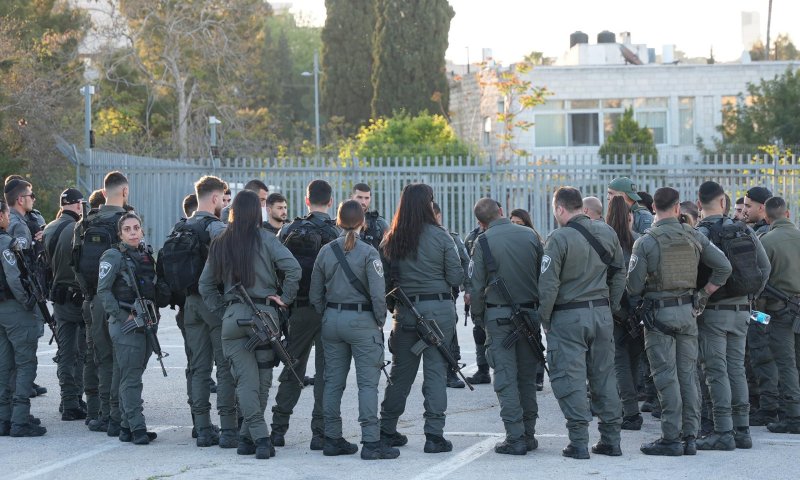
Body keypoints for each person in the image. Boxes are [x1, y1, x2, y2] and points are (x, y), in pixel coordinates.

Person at [627, 187, 732, 456]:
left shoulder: (646, 241)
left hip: (659, 315)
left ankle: (671, 438)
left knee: (665, 376)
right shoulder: (694, 234)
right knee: (688, 376)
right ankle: (690, 437)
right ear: (677, 208)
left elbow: (634, 287)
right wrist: (703, 294)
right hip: (688, 312)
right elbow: (724, 267)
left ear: (653, 209)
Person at [199, 190, 301, 459]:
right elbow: (294, 269)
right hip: (265, 316)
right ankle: (261, 438)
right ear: (258, 211)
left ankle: (247, 438)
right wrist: (285, 299)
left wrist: (224, 310)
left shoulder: (220, 242)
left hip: (234, 318)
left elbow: (205, 285)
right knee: (262, 381)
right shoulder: (267, 239)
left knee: (246, 381)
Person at [538, 186, 625, 460]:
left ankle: (578, 442)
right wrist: (610, 304)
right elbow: (619, 272)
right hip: (601, 314)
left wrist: (545, 319)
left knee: (570, 378)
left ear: (561, 209)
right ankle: (611, 440)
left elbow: (548, 285)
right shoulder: (607, 232)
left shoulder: (558, 239)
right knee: (605, 376)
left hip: (568, 316)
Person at [309, 200, 399, 460]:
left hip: (332, 320)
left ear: (337, 222)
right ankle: (371, 442)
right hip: (362, 321)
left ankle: (332, 438)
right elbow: (378, 295)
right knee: (367, 384)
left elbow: (315, 293)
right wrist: (380, 320)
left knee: (332, 382)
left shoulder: (326, 251)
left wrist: (327, 314)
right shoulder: (369, 253)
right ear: (363, 223)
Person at [379, 183, 463, 454]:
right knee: (436, 374)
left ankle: (387, 429)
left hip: (405, 312)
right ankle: (434, 436)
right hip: (438, 310)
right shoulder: (441, 236)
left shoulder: (391, 238)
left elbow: (386, 283)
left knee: (400, 374)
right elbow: (456, 277)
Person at [694, 181, 769, 450]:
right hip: (742, 311)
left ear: (699, 203)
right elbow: (765, 267)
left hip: (713, 312)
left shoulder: (699, 232)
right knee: (736, 369)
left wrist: (700, 298)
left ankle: (723, 432)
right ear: (724, 203)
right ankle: (742, 431)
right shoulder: (743, 229)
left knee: (716, 371)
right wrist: (750, 295)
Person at [470, 199, 543, 455]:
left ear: (480, 222)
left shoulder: (483, 241)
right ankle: (529, 434)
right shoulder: (531, 235)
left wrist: (479, 317)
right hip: (530, 314)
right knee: (526, 378)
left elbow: (476, 287)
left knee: (505, 378)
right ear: (501, 212)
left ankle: (515, 437)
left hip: (499, 318)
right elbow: (543, 275)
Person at [272, 180, 339, 450]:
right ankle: (319, 433)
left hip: (298, 310)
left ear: (307, 200)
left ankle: (278, 429)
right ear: (331, 202)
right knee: (326, 372)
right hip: (327, 310)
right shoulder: (336, 232)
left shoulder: (289, 229)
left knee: (292, 366)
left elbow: (276, 266)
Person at [173, 176, 236, 448]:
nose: (224, 203)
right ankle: (228, 426)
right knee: (224, 367)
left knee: (198, 367)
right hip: (214, 302)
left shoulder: (181, 226)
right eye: (223, 199)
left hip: (189, 305)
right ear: (215, 199)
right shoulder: (215, 227)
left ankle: (201, 427)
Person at [96, 212, 169, 445]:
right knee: (131, 378)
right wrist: (122, 316)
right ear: (120, 234)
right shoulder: (113, 256)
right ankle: (137, 428)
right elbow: (103, 291)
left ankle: (126, 427)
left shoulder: (145, 255)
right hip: (126, 326)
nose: (133, 232)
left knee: (130, 374)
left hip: (146, 323)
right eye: (127, 229)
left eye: (136, 227)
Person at [73, 171, 130, 435]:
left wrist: (89, 293)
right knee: (123, 359)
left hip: (93, 300)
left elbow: (76, 265)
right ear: (125, 192)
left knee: (101, 358)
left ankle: (103, 414)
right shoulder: (128, 222)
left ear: (104, 191)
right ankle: (121, 414)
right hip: (121, 305)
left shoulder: (84, 223)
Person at [0, 199, 45, 436]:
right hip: (13, 309)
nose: (8, 218)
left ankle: (4, 418)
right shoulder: (6, 243)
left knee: (4, 366)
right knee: (25, 364)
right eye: (5, 214)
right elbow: (14, 278)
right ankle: (20, 421)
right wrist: (27, 301)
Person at [43, 189, 88, 422]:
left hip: (58, 297)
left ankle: (67, 399)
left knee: (65, 352)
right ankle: (72, 401)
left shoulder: (49, 227)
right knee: (79, 353)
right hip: (76, 296)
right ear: (78, 205)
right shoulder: (77, 229)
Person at [759, 197, 800, 434]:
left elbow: (760, 283)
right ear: (788, 214)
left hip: (781, 312)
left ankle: (793, 416)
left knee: (786, 364)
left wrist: (759, 318)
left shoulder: (766, 241)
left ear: (767, 217)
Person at [605, 196, 644, 431]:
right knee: (634, 360)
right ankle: (631, 407)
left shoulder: (605, 243)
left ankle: (629, 411)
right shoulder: (639, 241)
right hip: (637, 309)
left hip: (614, 308)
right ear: (630, 217)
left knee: (619, 362)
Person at [509, 208, 546, 391]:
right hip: (512, 296)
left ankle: (538, 375)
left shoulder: (534, 239)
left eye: (519, 223)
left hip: (531, 295)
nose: (515, 226)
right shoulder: (508, 242)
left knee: (534, 338)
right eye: (512, 222)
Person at [432, 202, 467, 389]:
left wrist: (467, 289)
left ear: (439, 217)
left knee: (450, 335)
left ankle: (450, 370)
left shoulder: (451, 238)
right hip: (431, 295)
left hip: (447, 295)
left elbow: (465, 263)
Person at [463, 222, 491, 386]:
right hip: (479, 292)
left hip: (497, 292)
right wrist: (468, 290)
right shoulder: (472, 238)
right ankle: (483, 370)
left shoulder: (500, 234)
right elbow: (468, 266)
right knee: (479, 331)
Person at [351, 183, 390, 251]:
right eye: (359, 197)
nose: (363, 202)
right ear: (352, 197)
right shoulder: (342, 220)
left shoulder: (379, 223)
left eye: (367, 198)